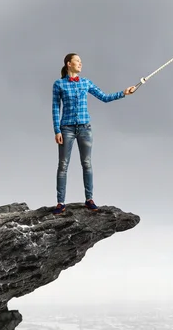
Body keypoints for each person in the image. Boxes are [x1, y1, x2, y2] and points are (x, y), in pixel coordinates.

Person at [52, 53, 136, 215]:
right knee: (63, 165)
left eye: (81, 61)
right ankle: (60, 202)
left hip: (85, 128)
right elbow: (56, 108)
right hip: (66, 129)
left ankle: (89, 199)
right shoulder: (59, 84)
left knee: (87, 163)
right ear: (69, 64)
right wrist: (57, 130)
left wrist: (123, 93)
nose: (80, 64)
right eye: (77, 61)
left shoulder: (86, 82)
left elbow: (104, 97)